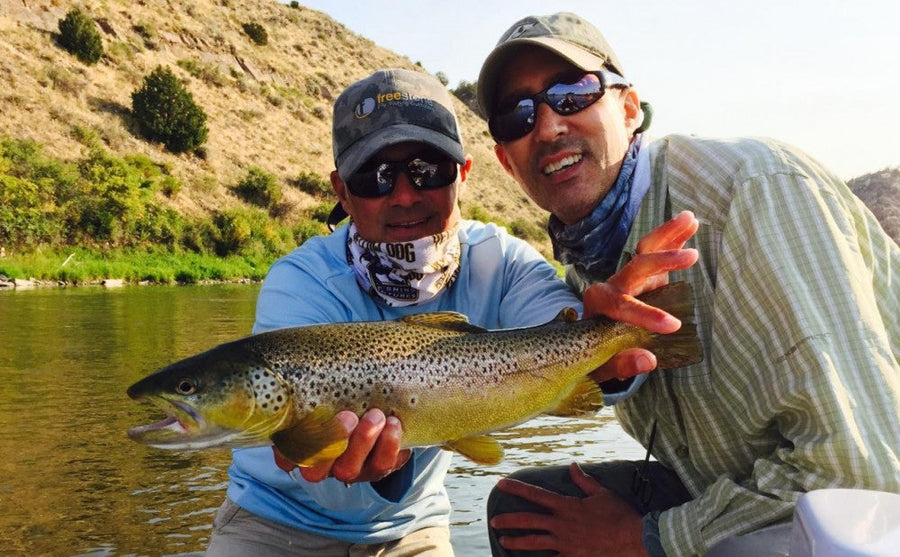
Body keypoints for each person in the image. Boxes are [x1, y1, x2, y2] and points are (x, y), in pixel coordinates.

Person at [205, 68, 696, 556]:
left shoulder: (500, 260)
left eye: (427, 170)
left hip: (412, 528)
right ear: (342, 191)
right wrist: (384, 468)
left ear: (462, 172)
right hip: (271, 524)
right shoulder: (301, 282)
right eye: (375, 177)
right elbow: (315, 472)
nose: (404, 195)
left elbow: (572, 337)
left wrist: (615, 336)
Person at [477, 12, 900, 557]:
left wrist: (647, 538)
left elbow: (859, 473)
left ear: (630, 109)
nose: (548, 126)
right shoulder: (585, 263)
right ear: (506, 163)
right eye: (517, 115)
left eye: (572, 93)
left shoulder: (754, 190)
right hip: (730, 482)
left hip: (869, 507)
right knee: (522, 512)